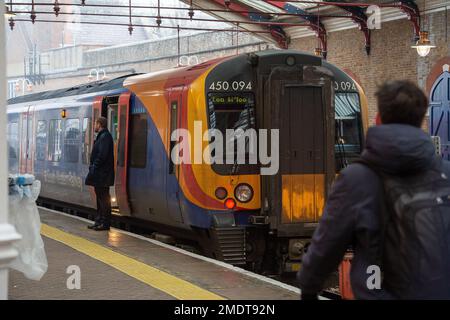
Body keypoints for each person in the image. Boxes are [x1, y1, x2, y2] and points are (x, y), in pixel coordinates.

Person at [297, 80, 450, 300]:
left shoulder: (357, 179)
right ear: (420, 121)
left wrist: (308, 287)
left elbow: (327, 246)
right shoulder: (446, 174)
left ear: (378, 119)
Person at [85, 117, 115, 231]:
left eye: (95, 124)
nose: (94, 126)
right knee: (100, 198)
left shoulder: (105, 137)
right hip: (100, 174)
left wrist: (94, 167)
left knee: (104, 199)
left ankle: (105, 223)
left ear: (100, 124)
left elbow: (102, 155)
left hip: (103, 174)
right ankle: (99, 221)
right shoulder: (102, 136)